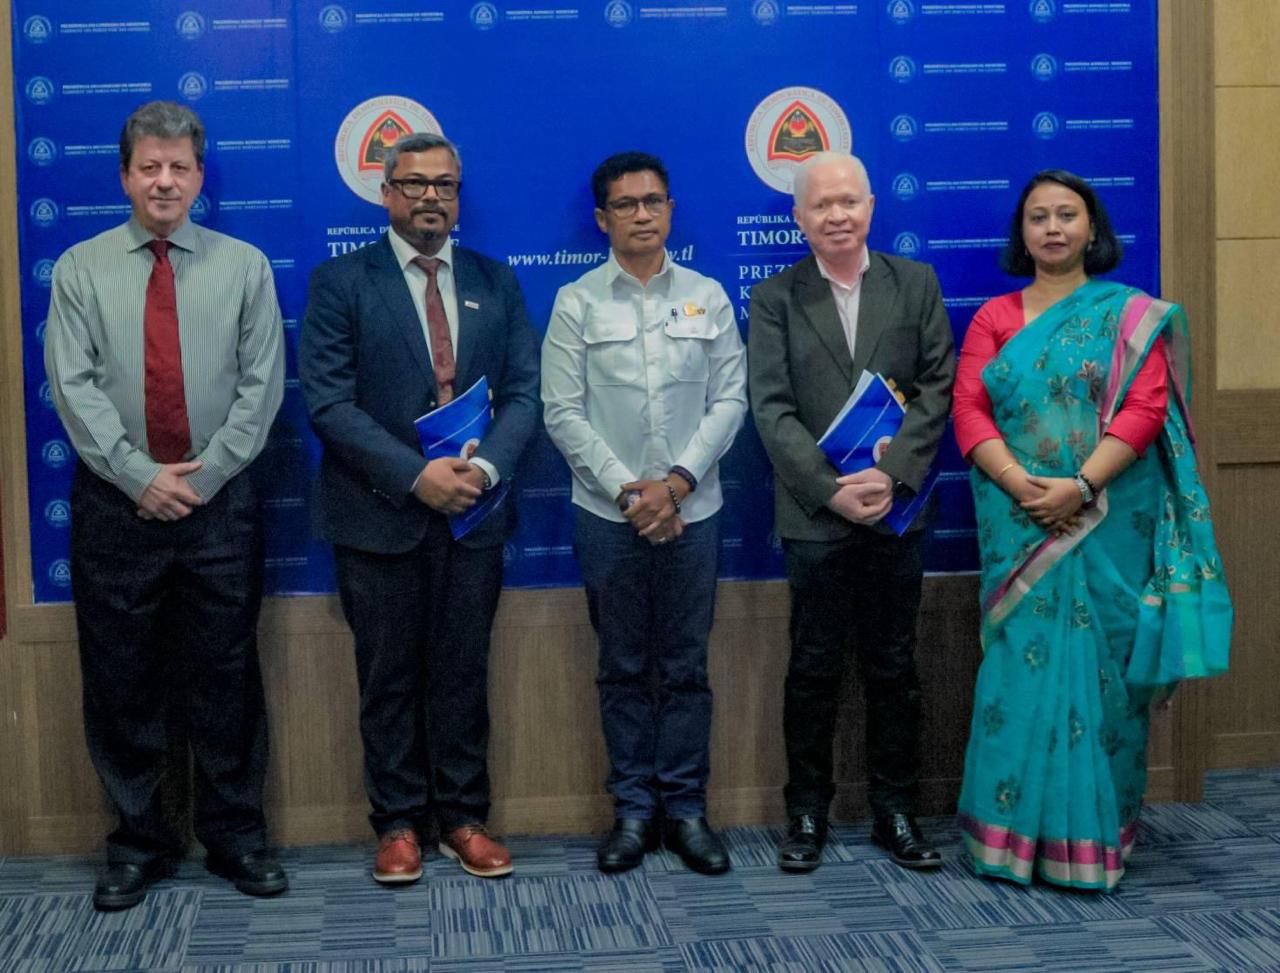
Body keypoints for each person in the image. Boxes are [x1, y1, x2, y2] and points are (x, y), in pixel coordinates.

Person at [951, 169, 1232, 891]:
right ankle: (1007, 841)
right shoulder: (994, 319)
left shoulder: (1128, 316)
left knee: (1107, 676)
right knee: (1017, 674)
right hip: (1020, 522)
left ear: (1092, 229)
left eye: (1067, 215)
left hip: (1108, 523)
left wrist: (1080, 486)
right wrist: (1022, 485)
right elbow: (969, 409)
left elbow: (1145, 408)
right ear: (1022, 234)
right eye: (1038, 216)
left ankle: (1094, 837)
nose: (1052, 227)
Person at [43, 101, 287, 910]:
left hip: (221, 502)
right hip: (116, 504)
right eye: (149, 166)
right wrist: (138, 475)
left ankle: (235, 835)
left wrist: (202, 477)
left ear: (200, 176)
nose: (164, 181)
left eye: (179, 167)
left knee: (226, 672)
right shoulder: (80, 268)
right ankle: (139, 841)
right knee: (122, 678)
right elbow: (72, 385)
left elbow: (262, 386)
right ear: (124, 176)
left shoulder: (244, 266)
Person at [300, 132, 539, 884]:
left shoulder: (496, 281)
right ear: (386, 193)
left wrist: (485, 468)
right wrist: (414, 476)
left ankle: (463, 817)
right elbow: (329, 404)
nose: (431, 196)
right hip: (378, 517)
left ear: (458, 196)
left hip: (474, 514)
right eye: (414, 183)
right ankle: (398, 823)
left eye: (445, 185)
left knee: (463, 674)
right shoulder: (341, 281)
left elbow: (525, 394)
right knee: (389, 679)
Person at [748, 152, 955, 873]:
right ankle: (806, 811)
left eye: (848, 202)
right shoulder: (775, 297)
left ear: (870, 206)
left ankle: (896, 810)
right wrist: (830, 488)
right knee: (812, 668)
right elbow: (771, 407)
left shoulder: (916, 283)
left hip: (897, 510)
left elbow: (937, 386)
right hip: (816, 515)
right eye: (820, 205)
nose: (836, 215)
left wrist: (893, 477)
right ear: (799, 218)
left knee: (893, 666)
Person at [542, 152, 747, 875]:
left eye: (653, 201)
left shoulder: (707, 296)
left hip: (695, 510)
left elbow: (730, 399)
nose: (641, 214)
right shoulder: (576, 302)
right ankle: (632, 810)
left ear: (670, 210)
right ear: (602, 219)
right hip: (610, 517)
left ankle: (686, 810)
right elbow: (562, 411)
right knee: (623, 666)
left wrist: (678, 484)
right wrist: (631, 493)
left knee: (686, 667)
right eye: (625, 205)